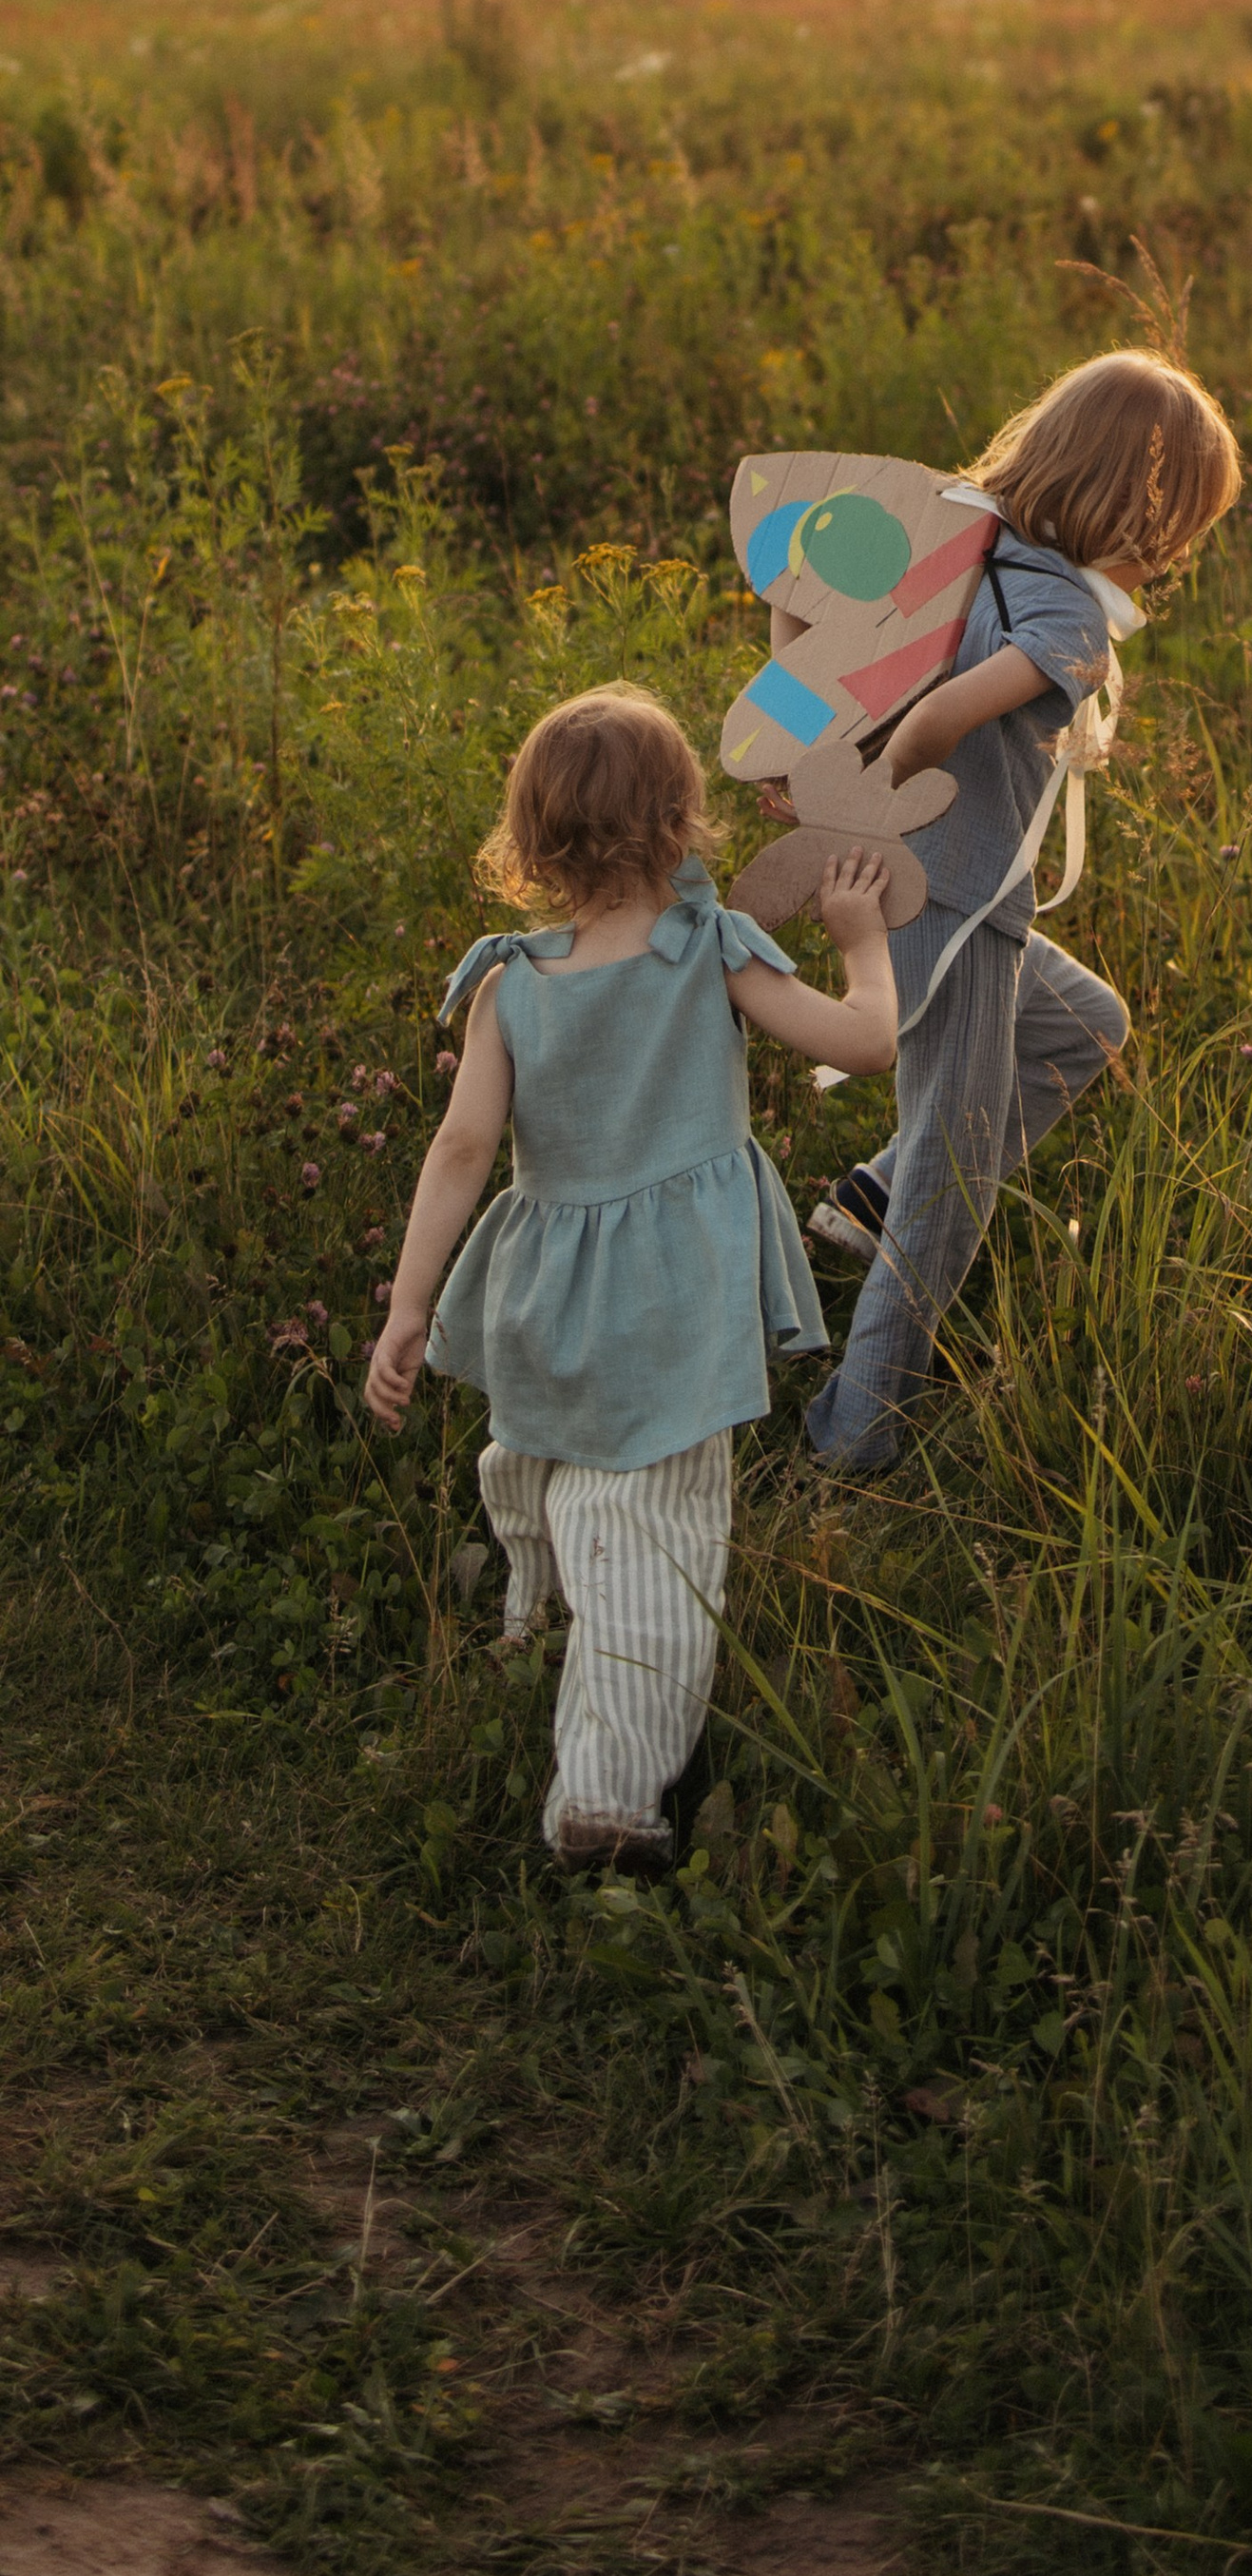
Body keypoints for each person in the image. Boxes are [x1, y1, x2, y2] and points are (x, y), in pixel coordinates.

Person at [362, 683, 897, 1872]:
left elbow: (458, 1151)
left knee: (549, 1450)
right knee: (657, 1531)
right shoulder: (705, 950)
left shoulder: (508, 982)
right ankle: (606, 1803)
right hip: (671, 1298)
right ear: (680, 824)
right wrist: (865, 946)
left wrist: (407, 1310)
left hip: (545, 1285)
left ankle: (531, 1603)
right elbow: (866, 1047)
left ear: (533, 839)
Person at [794, 349, 1242, 1474]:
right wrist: (901, 758)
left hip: (909, 878)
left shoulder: (955, 539)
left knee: (1085, 1025)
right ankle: (858, 1437)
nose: (1177, 550)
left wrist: (818, 770)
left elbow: (803, 596)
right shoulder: (1071, 619)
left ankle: (870, 1190)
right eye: (1180, 522)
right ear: (1137, 503)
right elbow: (950, 714)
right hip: (949, 901)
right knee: (960, 1162)